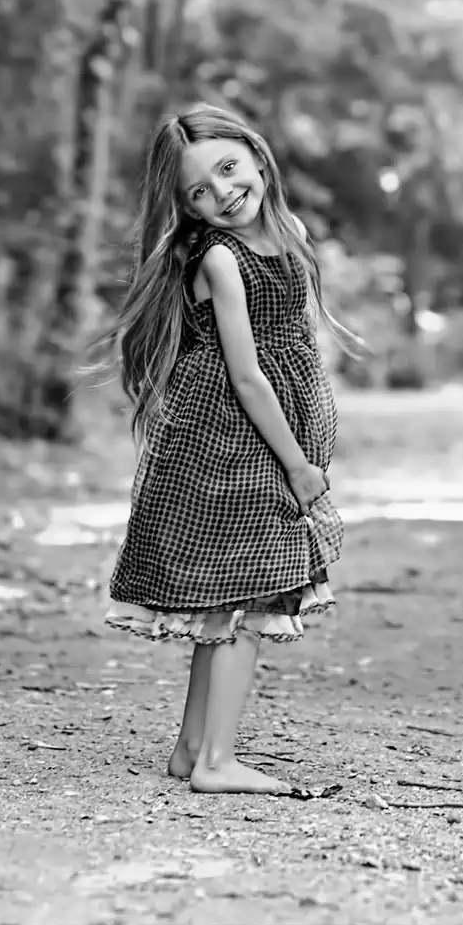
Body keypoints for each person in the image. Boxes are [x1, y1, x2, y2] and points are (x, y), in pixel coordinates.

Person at [90, 104, 356, 796]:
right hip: (229, 440)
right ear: (185, 207)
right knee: (251, 592)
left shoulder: (289, 234)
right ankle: (217, 762)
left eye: (228, 169)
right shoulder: (219, 256)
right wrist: (296, 463)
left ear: (256, 155)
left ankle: (191, 750)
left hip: (264, 432)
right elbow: (246, 374)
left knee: (228, 600)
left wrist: (318, 429)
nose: (222, 194)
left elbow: (297, 345)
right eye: (198, 191)